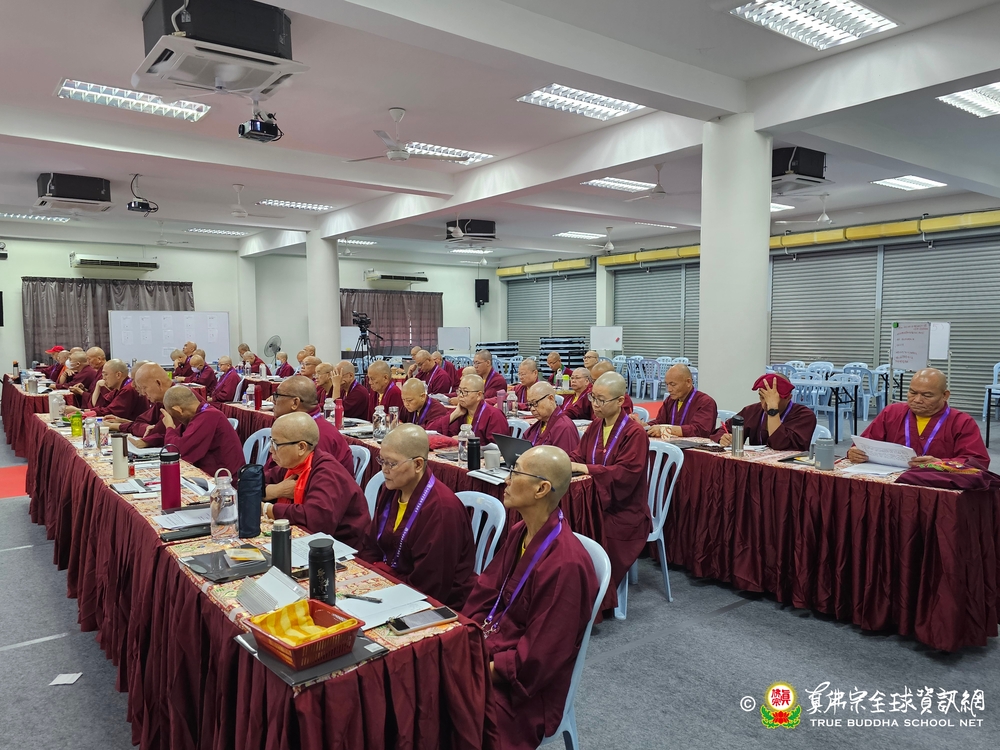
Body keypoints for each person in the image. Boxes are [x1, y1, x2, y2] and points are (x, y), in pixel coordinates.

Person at [463, 446, 599, 750]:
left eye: (514, 472)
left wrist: (471, 669)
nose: (506, 479)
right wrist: (461, 641)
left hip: (523, 691)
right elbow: (485, 593)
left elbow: (538, 659)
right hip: (490, 644)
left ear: (541, 489)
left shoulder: (565, 565)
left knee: (445, 705)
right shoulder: (520, 531)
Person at [358, 425, 476, 608]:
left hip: (436, 603)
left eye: (392, 463)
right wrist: (372, 576)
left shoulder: (442, 510)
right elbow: (370, 545)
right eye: (382, 460)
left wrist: (383, 576)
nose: (384, 470)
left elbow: (431, 584)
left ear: (418, 464)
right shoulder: (392, 490)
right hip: (391, 584)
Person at [569, 372, 651, 611]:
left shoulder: (635, 433)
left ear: (620, 400)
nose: (595, 404)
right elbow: (578, 456)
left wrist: (585, 468)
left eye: (601, 400)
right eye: (593, 398)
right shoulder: (596, 425)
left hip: (623, 508)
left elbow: (626, 474)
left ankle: (595, 599)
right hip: (594, 500)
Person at [261, 413, 371, 546]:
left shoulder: (327, 472)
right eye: (271, 442)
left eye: (276, 444)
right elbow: (247, 484)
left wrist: (267, 509)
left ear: (301, 447)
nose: (271, 450)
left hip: (343, 548)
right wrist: (275, 490)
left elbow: (316, 520)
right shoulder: (293, 465)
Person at [847, 368, 989, 468]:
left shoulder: (962, 422)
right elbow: (863, 444)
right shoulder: (891, 413)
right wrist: (854, 453)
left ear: (945, 395)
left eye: (927, 395)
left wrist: (941, 463)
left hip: (936, 486)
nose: (917, 400)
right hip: (891, 482)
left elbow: (978, 462)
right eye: (912, 392)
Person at [263, 376, 354, 480]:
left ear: (295, 402)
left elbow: (302, 481)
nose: (273, 401)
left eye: (277, 396)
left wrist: (266, 488)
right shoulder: (297, 425)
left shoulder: (315, 434)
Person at [712, 374, 816, 451]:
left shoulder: (804, 415)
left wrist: (773, 409)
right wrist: (724, 438)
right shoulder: (752, 410)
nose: (766, 404)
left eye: (774, 398)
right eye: (762, 397)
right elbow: (723, 429)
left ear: (789, 398)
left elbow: (780, 444)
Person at [161, 386, 245, 479]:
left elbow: (177, 451)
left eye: (173, 416)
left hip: (224, 480)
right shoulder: (200, 412)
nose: (176, 420)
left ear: (178, 410)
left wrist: (169, 428)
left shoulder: (209, 416)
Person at [109, 363, 175, 447]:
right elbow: (139, 422)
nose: (143, 393)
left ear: (158, 383)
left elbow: (161, 433)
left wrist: (148, 440)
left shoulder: (177, 400)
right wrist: (146, 427)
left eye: (144, 388)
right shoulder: (160, 401)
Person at [647, 364, 718, 438]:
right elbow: (659, 422)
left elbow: (699, 430)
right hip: (670, 443)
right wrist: (645, 426)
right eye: (667, 384)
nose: (669, 389)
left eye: (673, 384)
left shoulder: (705, 402)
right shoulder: (670, 400)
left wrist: (666, 430)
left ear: (688, 382)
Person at [63, 359, 147, 421]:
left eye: (106, 374)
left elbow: (109, 412)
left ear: (118, 375)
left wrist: (79, 411)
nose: (103, 378)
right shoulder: (119, 388)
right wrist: (98, 386)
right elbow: (99, 405)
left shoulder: (128, 389)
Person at [443, 374, 511, 445]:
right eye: (459, 391)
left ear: (479, 395)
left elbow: (499, 447)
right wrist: (454, 414)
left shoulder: (494, 415)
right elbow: (438, 433)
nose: (460, 395)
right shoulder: (459, 412)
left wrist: (470, 443)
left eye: (465, 392)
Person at [522, 382, 580, 453]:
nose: (532, 409)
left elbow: (565, 459)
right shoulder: (539, 425)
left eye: (535, 403)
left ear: (551, 398)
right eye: (530, 404)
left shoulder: (564, 427)